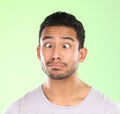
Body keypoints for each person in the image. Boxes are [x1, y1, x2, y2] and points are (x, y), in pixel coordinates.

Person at [3, 11, 120, 114]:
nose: (55, 55)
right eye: (48, 45)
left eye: (65, 46)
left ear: (82, 54)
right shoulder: (18, 110)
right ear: (39, 52)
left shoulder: (108, 110)